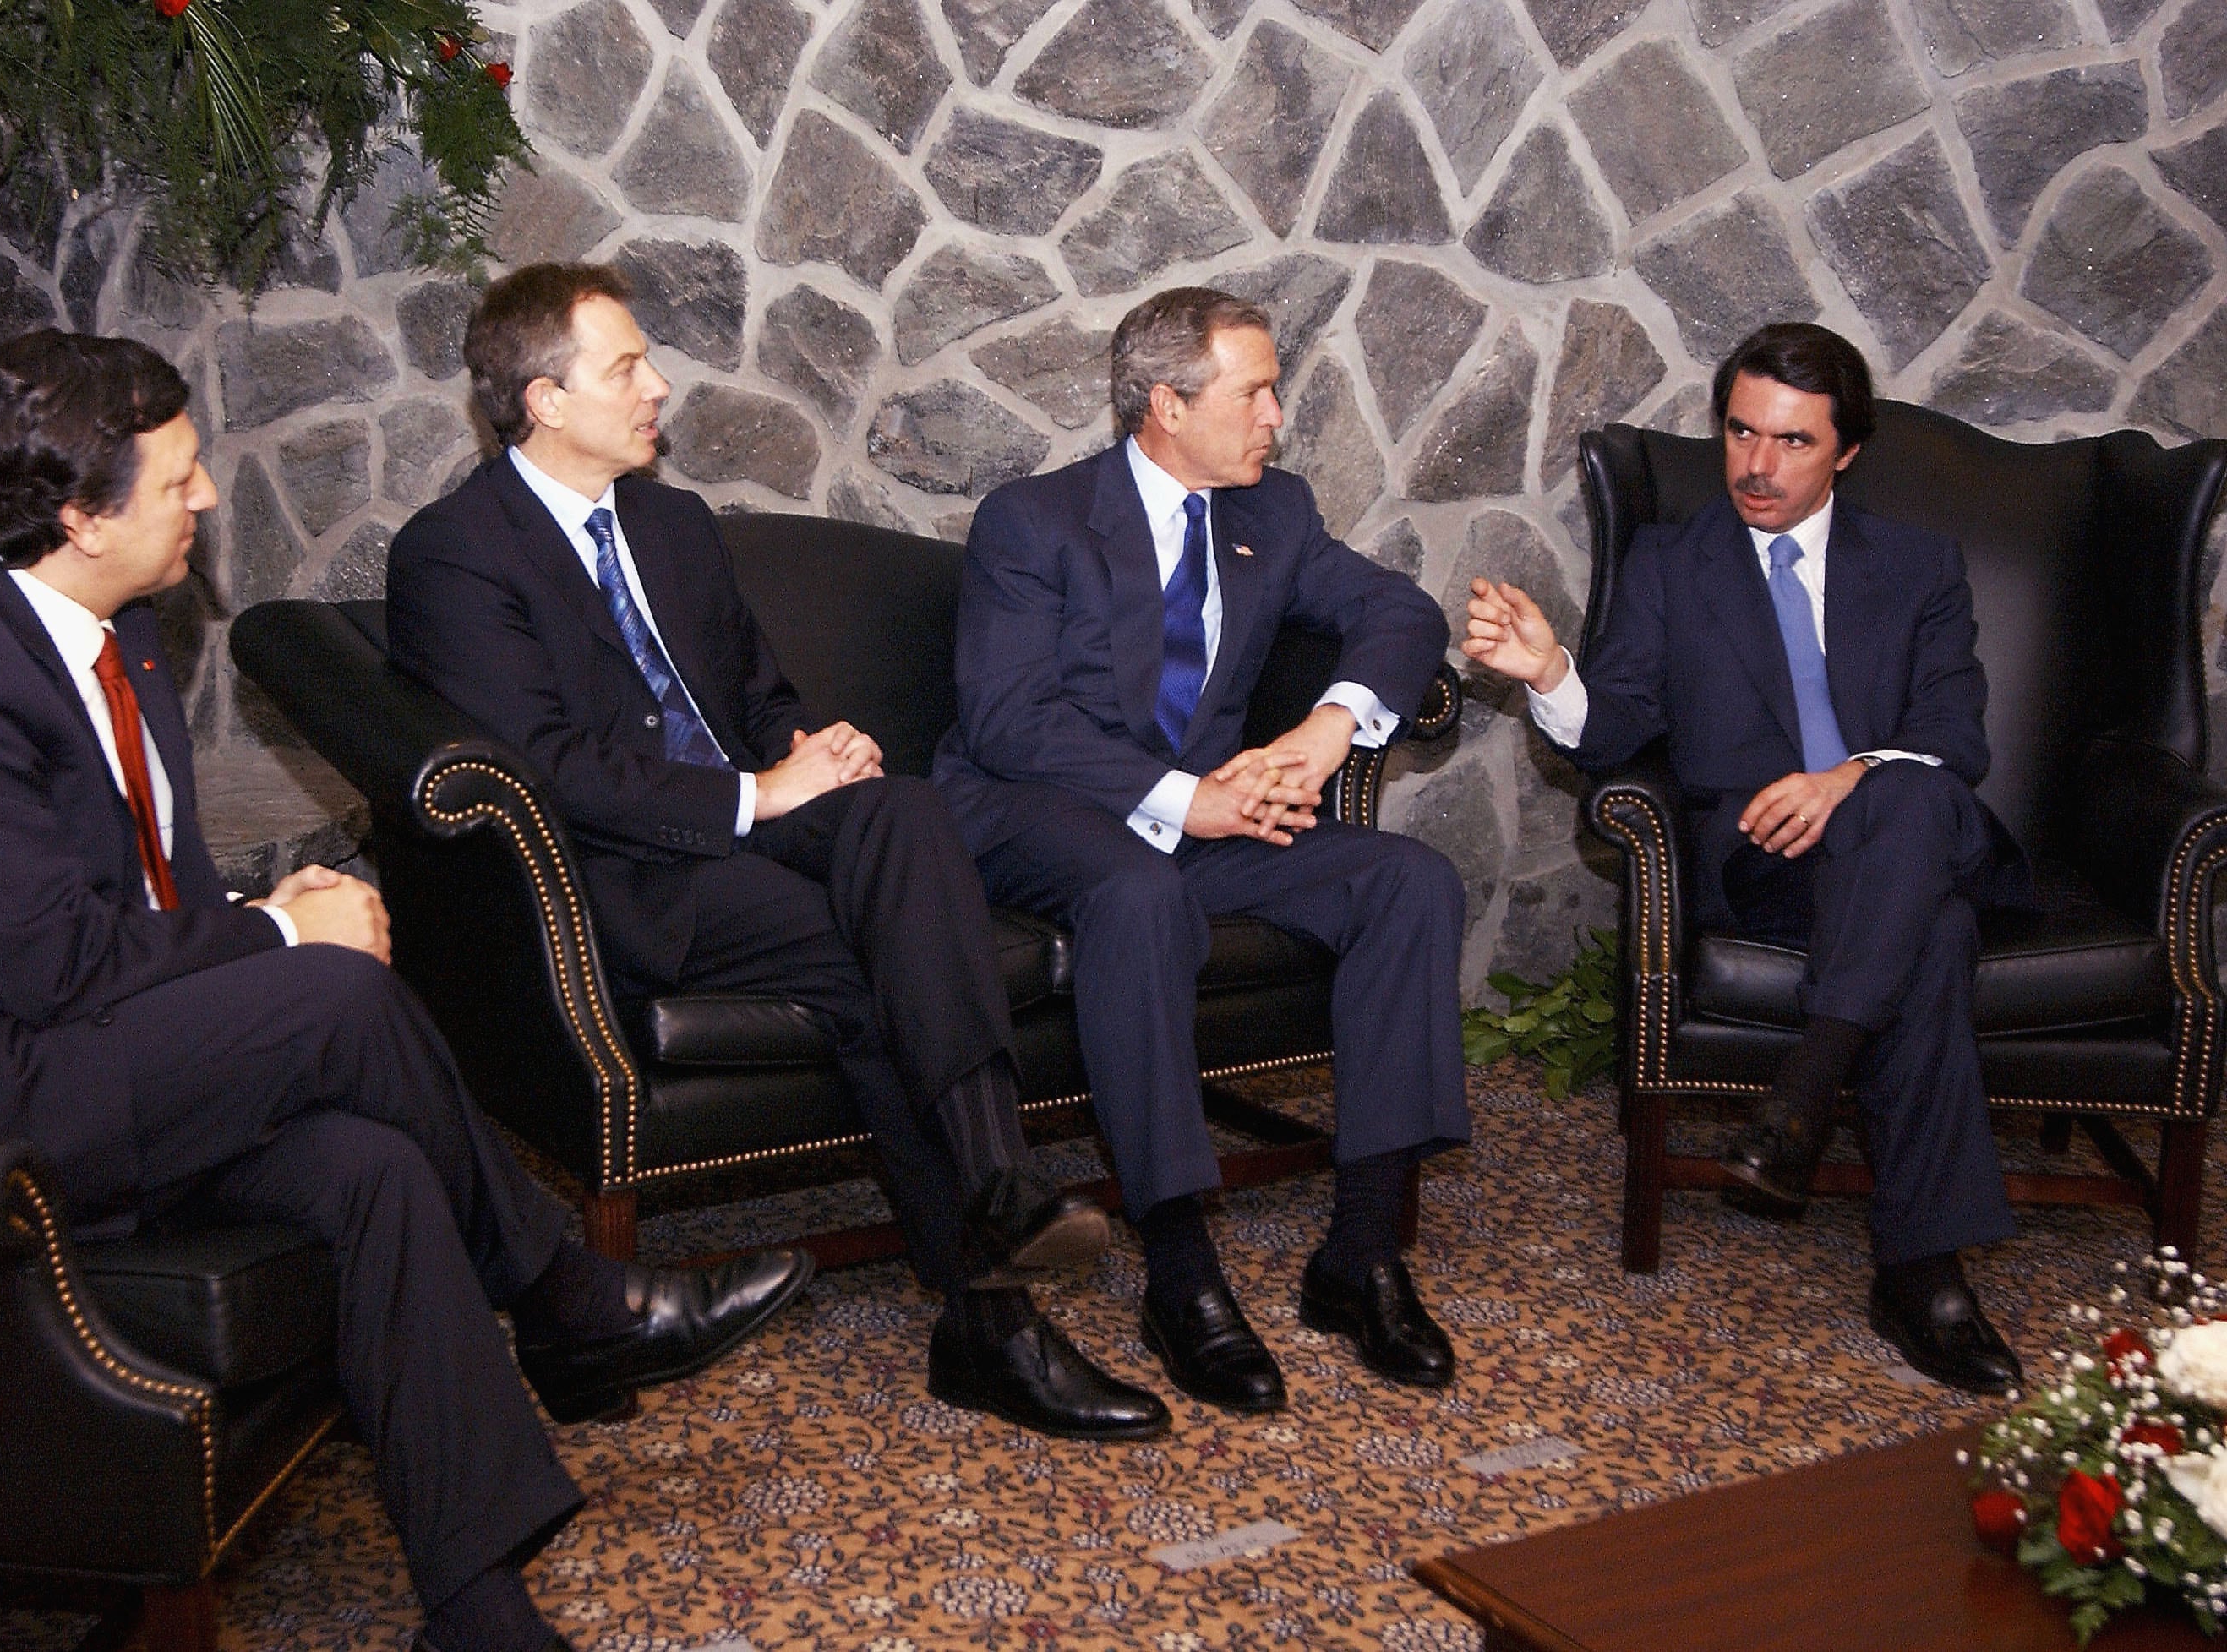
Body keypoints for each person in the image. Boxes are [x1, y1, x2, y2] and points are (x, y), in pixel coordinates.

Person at [0, 330, 815, 1652]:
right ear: (76, 511)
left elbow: (143, 907)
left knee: (368, 1168)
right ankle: (564, 1293)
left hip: (47, 1042)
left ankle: (481, 1606)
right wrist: (278, 930)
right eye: (177, 479)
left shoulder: (109, 627)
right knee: (333, 998)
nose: (209, 498)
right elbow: (47, 962)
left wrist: (252, 929)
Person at [385, 263, 1166, 1442]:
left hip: (753, 812)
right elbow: (552, 765)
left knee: (901, 809)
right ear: (543, 398)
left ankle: (1001, 1181)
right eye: (626, 366)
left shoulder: (672, 521)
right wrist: (758, 792)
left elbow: (756, 694)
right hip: (630, 871)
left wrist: (810, 746)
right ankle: (992, 1320)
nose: (659, 385)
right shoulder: (455, 551)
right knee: (870, 969)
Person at [1461, 320, 2028, 1394]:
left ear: (1846, 451)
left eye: (1792, 442)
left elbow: (1958, 741)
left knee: (1909, 803)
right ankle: (1919, 1268)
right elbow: (1619, 721)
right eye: (1739, 432)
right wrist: (1549, 674)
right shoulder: (1677, 565)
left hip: (1896, 837)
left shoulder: (1917, 566)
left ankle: (1814, 1104)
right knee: (1935, 926)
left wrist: (1845, 777)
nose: (1758, 466)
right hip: (1767, 867)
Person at [933, 286, 1471, 1415]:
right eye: (1256, 391)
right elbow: (1009, 722)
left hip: (1207, 815)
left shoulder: (1271, 512)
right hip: (1034, 809)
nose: (1277, 413)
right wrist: (1187, 799)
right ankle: (1181, 1275)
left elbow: (1402, 612)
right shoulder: (1035, 521)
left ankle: (1361, 1253)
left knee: (1405, 881)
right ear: (1167, 404)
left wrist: (1326, 730)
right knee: (1136, 892)